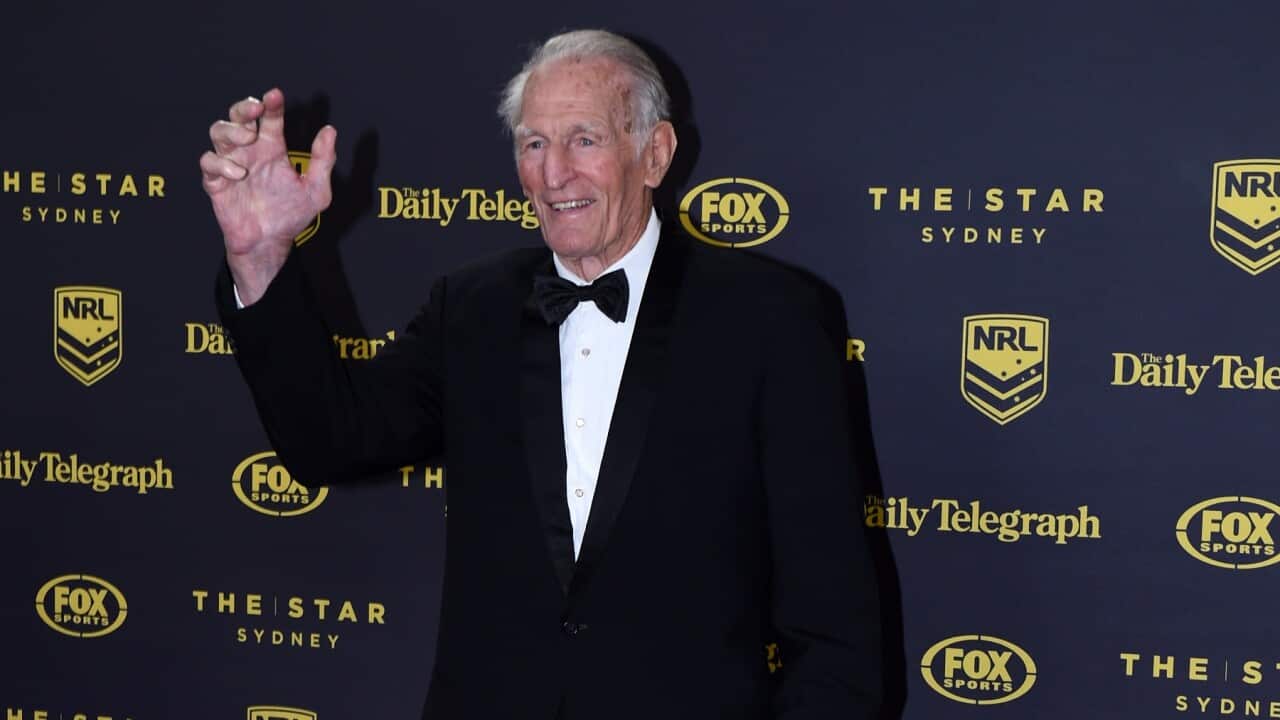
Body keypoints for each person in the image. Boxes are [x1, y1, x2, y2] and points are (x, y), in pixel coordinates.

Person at [202, 29, 881, 720]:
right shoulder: (471, 309)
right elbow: (329, 441)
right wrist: (259, 258)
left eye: (583, 139)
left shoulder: (769, 319)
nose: (553, 173)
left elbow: (835, 633)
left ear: (655, 153)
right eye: (532, 143)